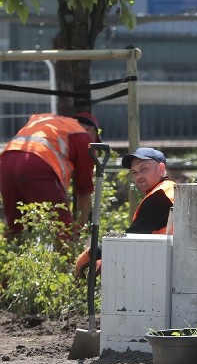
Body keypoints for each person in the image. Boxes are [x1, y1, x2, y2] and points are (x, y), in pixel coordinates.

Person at [74, 147, 175, 277]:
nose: (138, 176)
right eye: (134, 172)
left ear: (161, 169)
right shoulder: (169, 189)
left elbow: (129, 239)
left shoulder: (160, 196)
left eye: (144, 169)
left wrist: (91, 253)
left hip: (169, 270)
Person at [0, 112, 101, 238]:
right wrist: (81, 229)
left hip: (6, 161)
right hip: (37, 164)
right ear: (91, 130)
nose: (94, 147)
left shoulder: (48, 121)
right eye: (95, 140)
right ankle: (69, 256)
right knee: (63, 230)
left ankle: (10, 255)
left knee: (16, 230)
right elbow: (84, 191)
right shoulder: (82, 136)